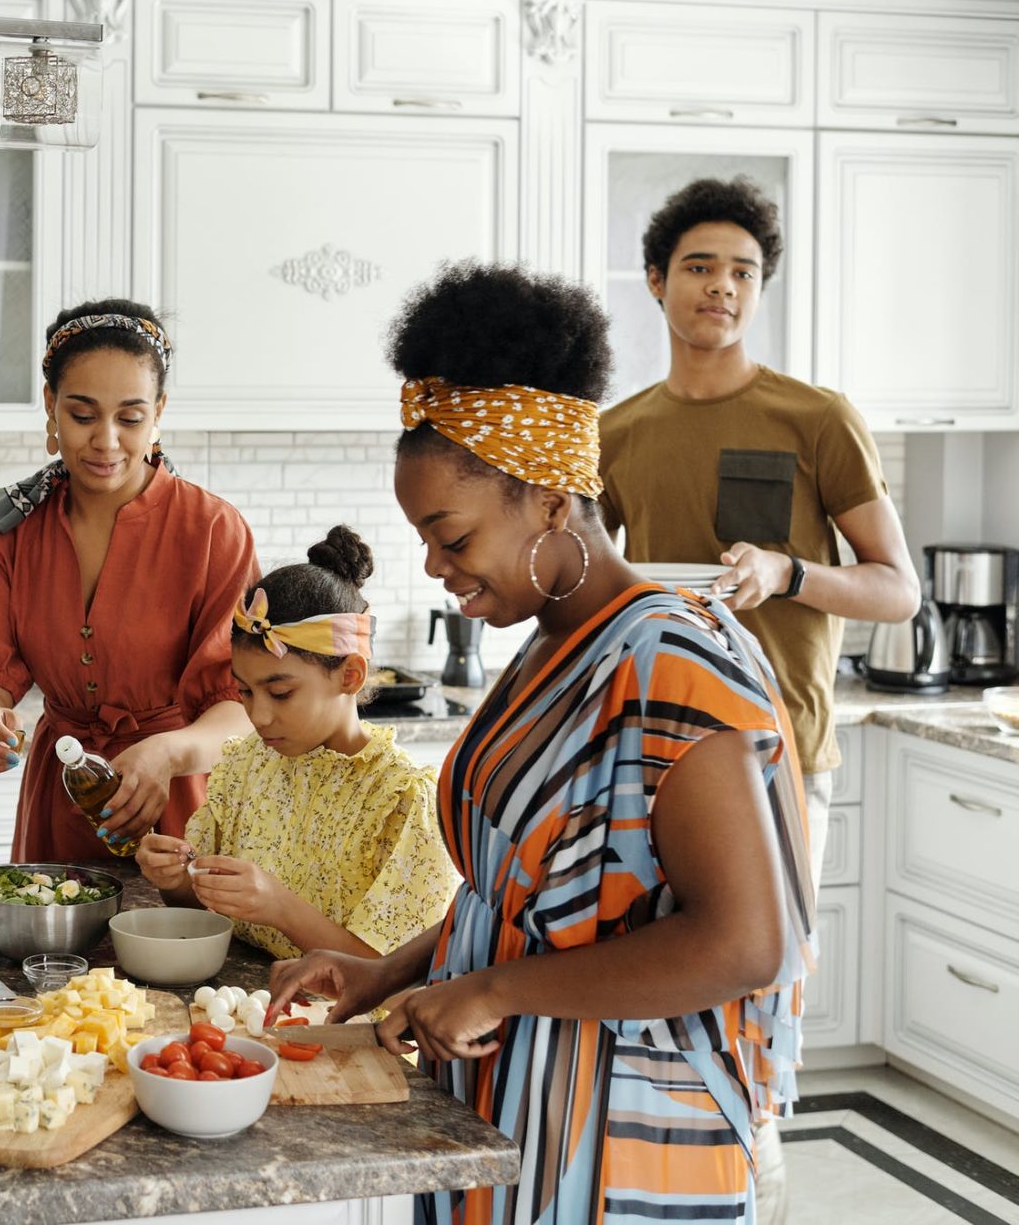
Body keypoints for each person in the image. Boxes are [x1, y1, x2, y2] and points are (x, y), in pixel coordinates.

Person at [271, 263, 815, 1225]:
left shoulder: (670, 661)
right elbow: (538, 899)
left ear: (553, 503)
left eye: (450, 534)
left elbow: (745, 941)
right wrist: (386, 971)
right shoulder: (551, 647)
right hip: (516, 1107)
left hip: (622, 1137)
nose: (436, 568)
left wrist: (495, 990)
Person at [600, 180, 919, 1221]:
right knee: (650, 966)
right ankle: (660, 1172)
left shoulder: (812, 418)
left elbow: (895, 588)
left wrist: (787, 575)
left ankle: (756, 1170)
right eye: (699, 265)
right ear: (655, 281)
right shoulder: (618, 430)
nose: (721, 287)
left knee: (757, 970)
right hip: (647, 744)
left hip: (776, 747)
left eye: (741, 270)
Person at [0, 300, 257, 862]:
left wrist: (165, 756)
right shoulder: (9, 533)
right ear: (51, 406)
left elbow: (241, 707)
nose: (107, 441)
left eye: (131, 417)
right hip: (59, 795)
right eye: (83, 415)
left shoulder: (214, 531)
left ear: (159, 411)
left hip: (183, 802)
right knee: (50, 947)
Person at [136, 525, 458, 962]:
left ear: (350, 675)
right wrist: (176, 881)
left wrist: (280, 907)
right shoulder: (245, 765)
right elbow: (206, 909)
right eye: (245, 692)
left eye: (281, 692)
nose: (258, 715)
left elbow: (389, 974)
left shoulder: (401, 800)